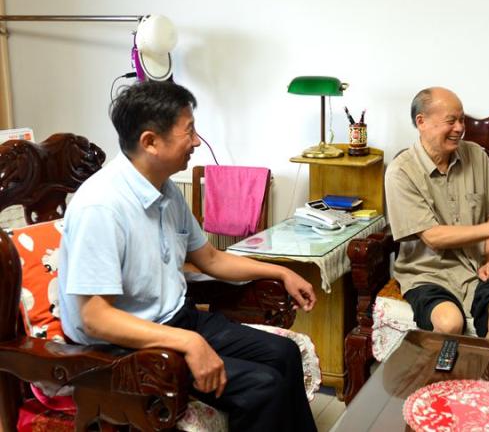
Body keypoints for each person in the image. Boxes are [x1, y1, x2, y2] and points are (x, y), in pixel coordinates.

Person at [58, 81, 317, 432]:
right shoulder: (101, 206)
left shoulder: (165, 189)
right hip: (121, 346)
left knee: (284, 354)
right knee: (262, 386)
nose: (197, 141)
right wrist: (189, 342)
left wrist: (280, 272)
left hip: (176, 320)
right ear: (150, 142)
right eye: (189, 131)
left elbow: (210, 258)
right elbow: (95, 318)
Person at [385, 87, 489, 340]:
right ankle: (449, 370)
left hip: (476, 270)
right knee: (449, 323)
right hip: (426, 274)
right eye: (451, 121)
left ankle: (486, 368)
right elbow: (433, 237)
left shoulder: (476, 155)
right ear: (421, 122)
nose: (459, 128)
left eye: (462, 120)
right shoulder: (401, 172)